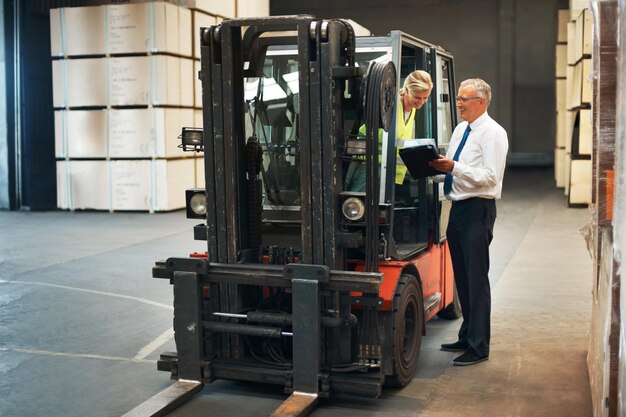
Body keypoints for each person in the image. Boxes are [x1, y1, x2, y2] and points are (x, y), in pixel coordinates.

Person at [428, 78, 508, 366]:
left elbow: (490, 177)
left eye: (464, 99)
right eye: (458, 98)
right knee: (462, 278)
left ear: (481, 102)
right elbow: (454, 172)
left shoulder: (493, 134)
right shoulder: (462, 129)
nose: (458, 103)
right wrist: (433, 169)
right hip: (458, 209)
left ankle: (479, 346)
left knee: (476, 279)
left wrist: (454, 167)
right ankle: (466, 335)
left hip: (478, 211)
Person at [345, 70, 432, 191]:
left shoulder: (412, 109)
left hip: (389, 171)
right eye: (417, 97)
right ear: (406, 90)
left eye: (425, 98)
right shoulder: (390, 105)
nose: (421, 102)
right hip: (371, 167)